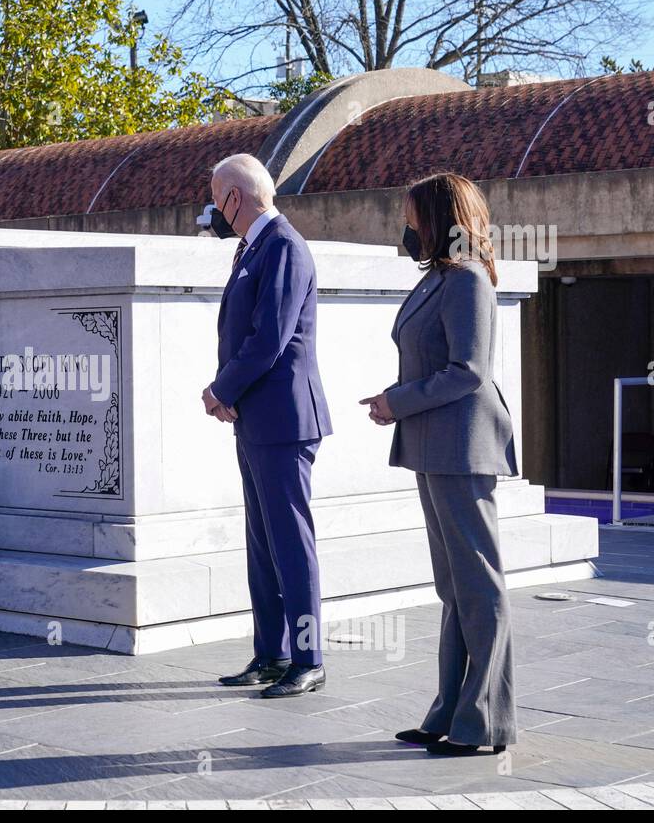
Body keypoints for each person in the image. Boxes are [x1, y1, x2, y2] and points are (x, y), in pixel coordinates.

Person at [359, 172, 518, 757]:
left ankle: (483, 724)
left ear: (439, 218)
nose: (406, 229)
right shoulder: (438, 280)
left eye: (412, 217)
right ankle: (450, 711)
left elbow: (468, 371)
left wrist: (396, 401)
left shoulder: (468, 280)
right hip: (434, 445)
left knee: (479, 587)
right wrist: (393, 403)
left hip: (462, 445)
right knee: (454, 587)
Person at [203, 153, 333, 698]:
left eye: (216, 198)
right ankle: (272, 653)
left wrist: (221, 390)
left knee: (289, 539)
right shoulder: (253, 248)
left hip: (282, 419)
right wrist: (228, 393)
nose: (213, 209)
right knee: (263, 541)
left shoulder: (281, 246)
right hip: (257, 418)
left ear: (235, 197)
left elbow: (269, 338)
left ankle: (307, 658)